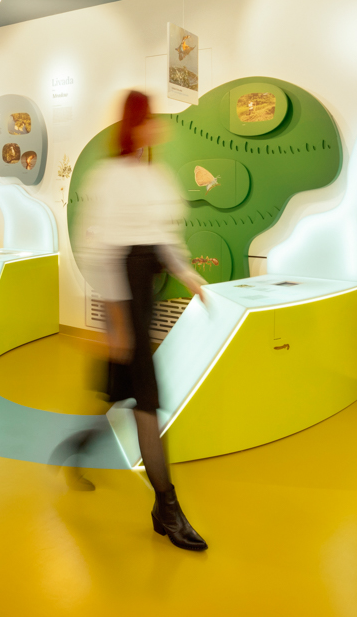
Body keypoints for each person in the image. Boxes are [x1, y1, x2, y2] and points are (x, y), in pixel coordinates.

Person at [77, 90, 208, 551]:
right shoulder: (109, 177)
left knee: (119, 390)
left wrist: (190, 278)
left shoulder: (155, 176)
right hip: (126, 302)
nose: (159, 125)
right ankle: (166, 507)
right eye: (151, 118)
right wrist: (116, 323)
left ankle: (73, 452)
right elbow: (98, 252)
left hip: (143, 300)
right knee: (147, 400)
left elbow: (164, 241)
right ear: (137, 124)